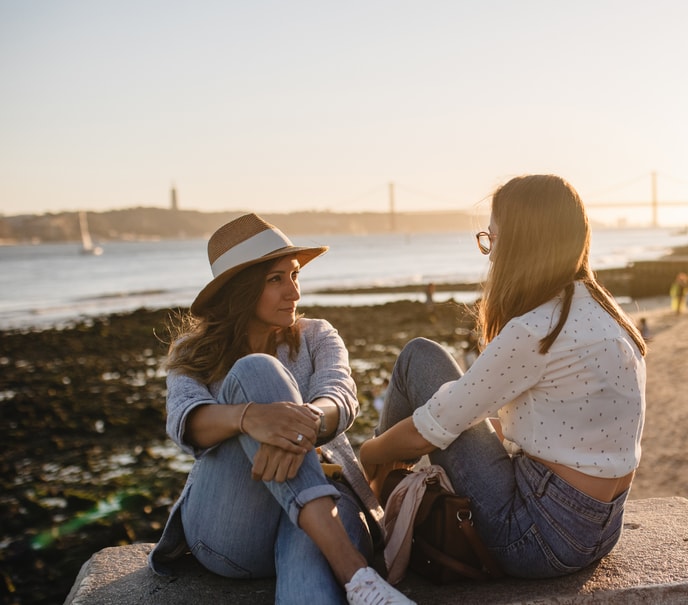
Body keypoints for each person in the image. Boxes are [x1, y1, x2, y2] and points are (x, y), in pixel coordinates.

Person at [358, 174, 647, 580]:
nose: (490, 257)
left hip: (535, 540)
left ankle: (364, 503)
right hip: (600, 530)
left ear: (521, 244)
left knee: (419, 358)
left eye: (492, 240)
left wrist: (366, 454)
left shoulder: (537, 328)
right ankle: (374, 495)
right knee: (457, 403)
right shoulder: (606, 314)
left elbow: (429, 432)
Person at [148, 214, 413, 605]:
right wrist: (249, 419)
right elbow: (186, 420)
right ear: (241, 290)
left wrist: (300, 423)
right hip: (232, 529)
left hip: (321, 513)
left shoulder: (317, 335)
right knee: (256, 370)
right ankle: (355, 571)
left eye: (294, 276)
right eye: (276, 279)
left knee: (312, 522)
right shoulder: (193, 353)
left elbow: (340, 396)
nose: (294, 292)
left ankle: (364, 590)